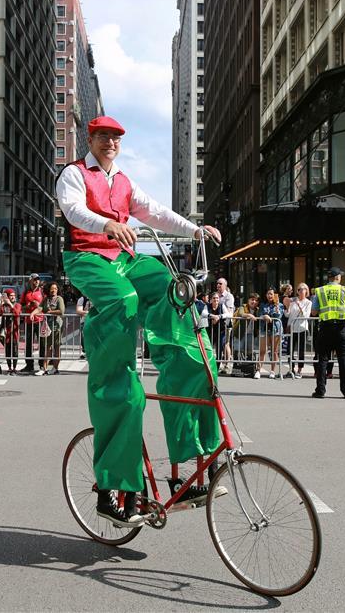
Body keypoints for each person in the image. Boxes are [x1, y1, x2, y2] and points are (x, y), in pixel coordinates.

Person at [57, 115, 224, 527]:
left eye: (115, 138)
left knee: (171, 284)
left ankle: (188, 463)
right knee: (124, 306)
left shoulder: (124, 182)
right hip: (88, 258)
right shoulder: (74, 174)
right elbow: (74, 212)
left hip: (126, 260)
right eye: (103, 137)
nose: (110, 143)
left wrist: (194, 230)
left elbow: (154, 212)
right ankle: (111, 487)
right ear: (90, 139)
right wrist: (108, 224)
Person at [310, 267, 345, 399]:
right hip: (341, 329)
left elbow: (313, 312)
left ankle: (320, 390)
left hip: (325, 328)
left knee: (323, 359)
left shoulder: (321, 291)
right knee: (344, 360)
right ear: (338, 277)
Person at [19, 274, 44, 374]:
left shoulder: (42, 292)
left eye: (38, 280)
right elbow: (21, 305)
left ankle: (42, 365)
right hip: (28, 321)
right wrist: (27, 306)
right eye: (34, 280)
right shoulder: (26, 292)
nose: (36, 281)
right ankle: (29, 365)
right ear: (30, 281)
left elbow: (45, 306)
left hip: (40, 320)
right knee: (28, 344)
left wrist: (38, 305)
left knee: (42, 343)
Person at [39, 281, 65, 375]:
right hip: (48, 327)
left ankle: (55, 368)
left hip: (57, 326)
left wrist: (50, 312)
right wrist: (33, 313)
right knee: (48, 347)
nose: (53, 290)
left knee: (57, 347)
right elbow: (40, 308)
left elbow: (61, 311)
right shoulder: (46, 299)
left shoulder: (59, 299)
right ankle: (45, 368)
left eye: (55, 288)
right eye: (52, 288)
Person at [286, 283, 311, 378]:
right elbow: (289, 315)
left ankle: (300, 370)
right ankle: (291, 369)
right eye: (299, 289)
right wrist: (287, 308)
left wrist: (300, 306)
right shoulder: (293, 301)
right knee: (289, 350)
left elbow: (306, 316)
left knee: (301, 350)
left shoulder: (308, 302)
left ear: (306, 291)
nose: (300, 291)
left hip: (302, 328)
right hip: (292, 328)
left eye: (303, 289)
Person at [258, 288, 283, 379]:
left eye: (271, 294)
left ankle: (272, 371)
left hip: (275, 330)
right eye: (268, 294)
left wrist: (276, 306)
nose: (270, 296)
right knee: (262, 351)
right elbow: (260, 314)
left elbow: (278, 315)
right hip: (264, 329)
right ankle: (258, 370)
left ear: (275, 295)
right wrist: (264, 315)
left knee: (274, 351)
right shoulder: (262, 305)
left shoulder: (279, 305)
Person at [235, 292, 261, 376]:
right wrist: (249, 315)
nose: (254, 302)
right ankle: (236, 370)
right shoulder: (243, 307)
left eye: (256, 300)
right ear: (248, 300)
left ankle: (248, 371)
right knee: (238, 350)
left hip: (251, 334)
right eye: (252, 299)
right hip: (240, 333)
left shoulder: (258, 310)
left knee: (250, 351)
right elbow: (241, 314)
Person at [214, 277, 235, 374]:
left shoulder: (229, 296)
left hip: (226, 323)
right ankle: (218, 363)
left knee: (225, 344)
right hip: (217, 324)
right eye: (217, 283)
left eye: (220, 284)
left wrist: (220, 313)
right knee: (218, 344)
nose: (218, 285)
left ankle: (227, 365)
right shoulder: (215, 295)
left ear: (225, 285)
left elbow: (230, 311)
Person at [0, 288, 21, 375]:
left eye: (14, 295)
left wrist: (10, 305)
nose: (13, 297)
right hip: (6, 331)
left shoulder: (17, 304)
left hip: (14, 331)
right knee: (7, 350)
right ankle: (9, 368)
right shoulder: (4, 305)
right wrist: (2, 303)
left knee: (15, 350)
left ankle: (15, 368)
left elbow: (17, 313)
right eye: (11, 296)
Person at [75, 293, 92, 359]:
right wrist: (88, 313)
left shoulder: (97, 298)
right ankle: (85, 352)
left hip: (96, 322)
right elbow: (78, 311)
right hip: (84, 321)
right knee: (84, 337)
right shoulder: (82, 299)